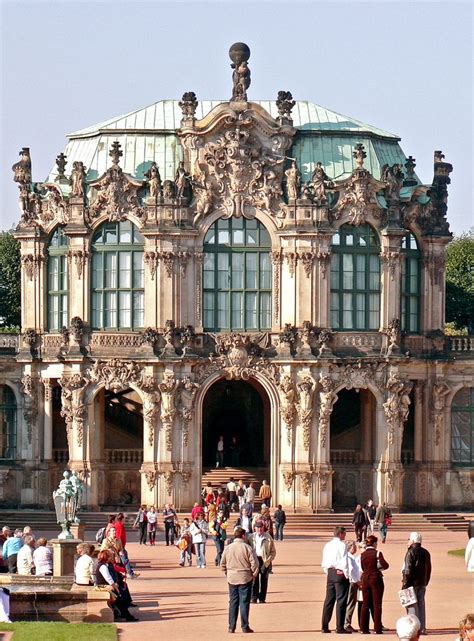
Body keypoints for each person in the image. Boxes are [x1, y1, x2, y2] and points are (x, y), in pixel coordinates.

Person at [221, 526, 259, 634]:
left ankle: (231, 626)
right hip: (245, 577)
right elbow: (255, 564)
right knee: (244, 602)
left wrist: (227, 573)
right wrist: (254, 574)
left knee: (233, 602)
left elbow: (222, 562)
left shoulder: (228, 548)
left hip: (232, 577)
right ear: (243, 536)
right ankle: (244, 626)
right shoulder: (247, 548)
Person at [321, 526, 350, 633]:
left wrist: (328, 571)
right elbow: (344, 562)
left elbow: (324, 561)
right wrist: (346, 575)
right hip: (339, 572)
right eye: (344, 534)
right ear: (340, 534)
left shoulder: (327, 545)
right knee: (341, 600)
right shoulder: (342, 545)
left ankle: (324, 625)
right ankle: (339, 626)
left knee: (329, 600)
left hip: (330, 572)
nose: (345, 535)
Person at [95, 549, 138, 622]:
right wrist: (115, 587)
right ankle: (127, 616)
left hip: (105, 586)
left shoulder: (105, 565)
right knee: (119, 599)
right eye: (110, 557)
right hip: (103, 586)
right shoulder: (103, 567)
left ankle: (125, 615)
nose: (112, 558)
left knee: (120, 599)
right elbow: (108, 578)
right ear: (106, 557)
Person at [402, 532, 431, 634]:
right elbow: (429, 569)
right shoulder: (426, 552)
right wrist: (426, 581)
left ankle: (415, 628)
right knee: (421, 605)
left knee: (412, 606)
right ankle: (422, 627)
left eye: (409, 539)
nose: (408, 540)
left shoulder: (410, 552)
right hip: (422, 582)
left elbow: (407, 570)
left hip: (411, 583)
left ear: (413, 540)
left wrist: (405, 584)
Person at [360, 534, 389, 635]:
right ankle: (377, 628)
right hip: (376, 578)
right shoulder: (377, 553)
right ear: (375, 543)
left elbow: (362, 567)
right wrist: (379, 568)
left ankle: (364, 628)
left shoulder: (362, 554)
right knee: (377, 604)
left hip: (365, 578)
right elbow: (386, 565)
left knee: (365, 604)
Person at [247, 520, 276, 604]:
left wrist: (268, 561)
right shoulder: (251, 537)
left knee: (264, 579)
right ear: (255, 528)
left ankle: (262, 598)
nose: (259, 529)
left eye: (261, 527)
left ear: (263, 528)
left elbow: (273, 551)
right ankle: (254, 597)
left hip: (264, 560)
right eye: (257, 527)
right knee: (254, 579)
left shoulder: (268, 538)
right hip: (255, 559)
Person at [344, 540, 363, 632]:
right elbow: (351, 571)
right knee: (351, 603)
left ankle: (346, 622)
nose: (355, 548)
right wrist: (358, 582)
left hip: (354, 582)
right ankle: (346, 623)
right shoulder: (349, 558)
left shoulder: (351, 557)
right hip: (352, 583)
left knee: (351, 602)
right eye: (354, 546)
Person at [114, 512, 139, 579]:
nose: (125, 519)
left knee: (125, 558)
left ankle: (128, 572)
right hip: (120, 546)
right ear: (122, 518)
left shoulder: (119, 525)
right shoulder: (119, 525)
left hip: (121, 546)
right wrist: (120, 548)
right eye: (124, 518)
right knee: (125, 559)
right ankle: (130, 574)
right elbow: (118, 537)